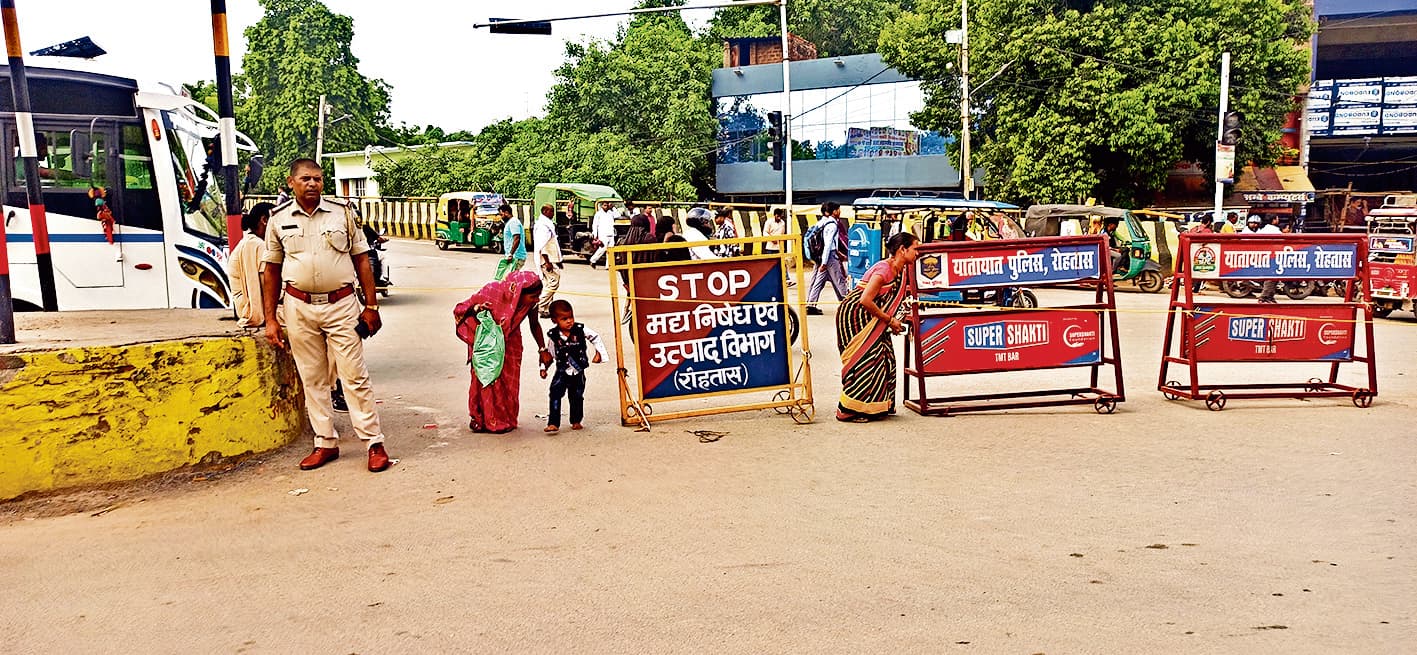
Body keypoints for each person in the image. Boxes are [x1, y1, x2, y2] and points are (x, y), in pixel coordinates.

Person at [262, 158, 391, 473]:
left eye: (318, 179)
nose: (312, 184)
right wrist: (270, 318)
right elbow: (271, 271)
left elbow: (362, 259)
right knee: (313, 377)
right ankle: (325, 443)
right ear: (291, 182)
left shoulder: (342, 214)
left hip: (341, 305)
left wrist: (370, 306)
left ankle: (374, 443)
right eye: (305, 179)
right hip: (298, 307)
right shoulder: (278, 220)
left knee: (354, 375)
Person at [453, 271, 553, 433]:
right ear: (519, 291)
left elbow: (534, 324)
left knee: (507, 384)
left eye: (538, 296)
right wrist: (477, 308)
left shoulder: (530, 304)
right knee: (486, 380)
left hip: (511, 344)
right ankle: (480, 419)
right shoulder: (492, 291)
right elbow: (461, 309)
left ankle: (503, 419)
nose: (536, 300)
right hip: (487, 346)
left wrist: (542, 349)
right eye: (533, 296)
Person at [836, 232, 919, 422]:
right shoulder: (884, 270)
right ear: (902, 250)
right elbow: (865, 300)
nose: (917, 253)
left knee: (886, 357)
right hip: (855, 316)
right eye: (915, 248)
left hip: (873, 316)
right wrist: (890, 321)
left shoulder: (901, 270)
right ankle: (849, 409)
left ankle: (879, 406)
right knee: (864, 361)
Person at [539, 299, 608, 433]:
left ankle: (576, 420)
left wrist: (600, 353)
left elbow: (595, 337)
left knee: (576, 396)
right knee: (555, 394)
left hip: (578, 371)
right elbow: (549, 355)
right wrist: (543, 368)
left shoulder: (580, 330)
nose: (569, 321)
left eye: (571, 317)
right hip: (562, 371)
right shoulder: (553, 336)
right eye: (564, 319)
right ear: (555, 320)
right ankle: (553, 423)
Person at [230, 202, 274, 328]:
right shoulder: (254, 244)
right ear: (264, 220)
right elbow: (258, 287)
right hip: (251, 308)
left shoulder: (255, 242)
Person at [806, 202, 849, 316]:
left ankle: (810, 304)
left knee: (818, 280)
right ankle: (848, 304)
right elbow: (828, 244)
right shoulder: (832, 225)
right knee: (839, 279)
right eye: (837, 210)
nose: (839, 212)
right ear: (832, 212)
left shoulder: (820, 223)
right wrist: (824, 262)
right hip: (828, 256)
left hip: (820, 256)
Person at [532, 203, 564, 318]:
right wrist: (547, 262)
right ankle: (539, 305)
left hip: (549, 259)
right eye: (551, 211)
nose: (553, 214)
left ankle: (545, 309)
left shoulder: (546, 223)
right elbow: (542, 245)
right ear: (545, 211)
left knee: (547, 283)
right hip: (545, 260)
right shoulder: (543, 226)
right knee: (554, 282)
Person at [497, 203, 526, 280]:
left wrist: (511, 254)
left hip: (516, 256)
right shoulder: (510, 223)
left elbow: (517, 238)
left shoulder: (513, 222)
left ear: (506, 212)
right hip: (513, 256)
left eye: (501, 214)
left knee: (508, 280)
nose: (501, 217)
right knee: (509, 280)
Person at [589, 200, 618, 269]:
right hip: (603, 233)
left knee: (611, 250)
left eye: (607, 205)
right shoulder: (598, 214)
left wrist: (613, 207)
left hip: (611, 233)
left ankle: (608, 265)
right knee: (603, 248)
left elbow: (618, 215)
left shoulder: (610, 213)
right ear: (602, 206)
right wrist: (595, 234)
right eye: (604, 205)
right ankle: (593, 260)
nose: (606, 206)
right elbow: (595, 224)